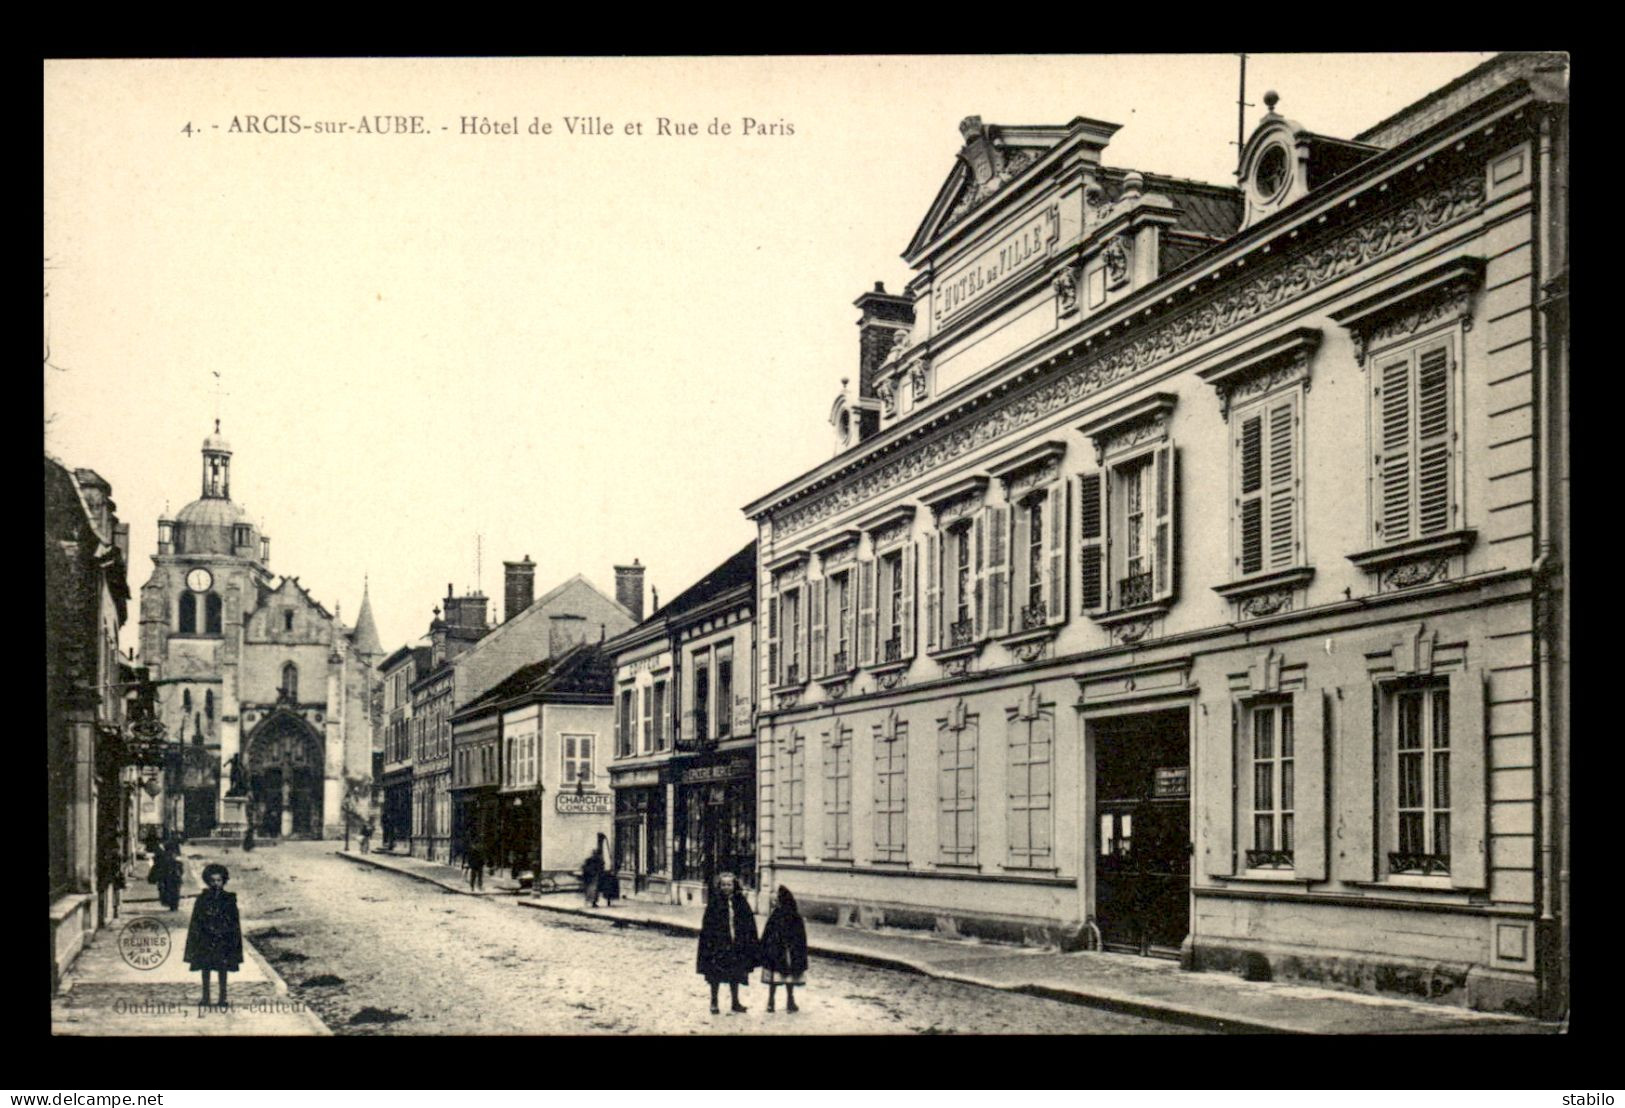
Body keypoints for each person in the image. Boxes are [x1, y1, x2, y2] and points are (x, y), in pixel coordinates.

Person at [695, 871, 758, 1014]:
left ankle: (735, 1002)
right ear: (720, 886)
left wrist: (748, 941)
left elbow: (748, 922)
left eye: (729, 884)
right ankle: (714, 1002)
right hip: (719, 944)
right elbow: (708, 923)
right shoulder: (715, 902)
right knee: (715, 974)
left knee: (735, 972)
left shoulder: (741, 901)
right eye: (723, 885)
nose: (726, 887)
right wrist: (710, 941)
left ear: (734, 885)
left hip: (736, 944)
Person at [185, 863, 243, 1008]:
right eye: (213, 881)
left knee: (222, 968)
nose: (216, 883)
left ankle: (222, 998)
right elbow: (196, 919)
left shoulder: (229, 898)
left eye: (219, 880)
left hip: (223, 938)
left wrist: (229, 935)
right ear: (208, 881)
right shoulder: (202, 899)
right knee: (206, 968)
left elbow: (234, 920)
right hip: (206, 937)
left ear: (224, 881)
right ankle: (206, 998)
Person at [759, 885, 808, 1013]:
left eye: (776, 900)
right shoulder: (788, 915)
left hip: (784, 952)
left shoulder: (789, 916)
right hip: (781, 952)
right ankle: (777, 1001)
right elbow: (768, 932)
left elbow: (799, 937)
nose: (774, 903)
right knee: (780, 978)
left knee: (783, 977)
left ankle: (781, 1001)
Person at [151, 840, 184, 912]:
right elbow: (180, 868)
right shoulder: (175, 857)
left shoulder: (163, 856)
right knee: (174, 892)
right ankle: (174, 906)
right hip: (174, 877)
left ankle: (172, 905)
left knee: (170, 891)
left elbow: (158, 867)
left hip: (169, 877)